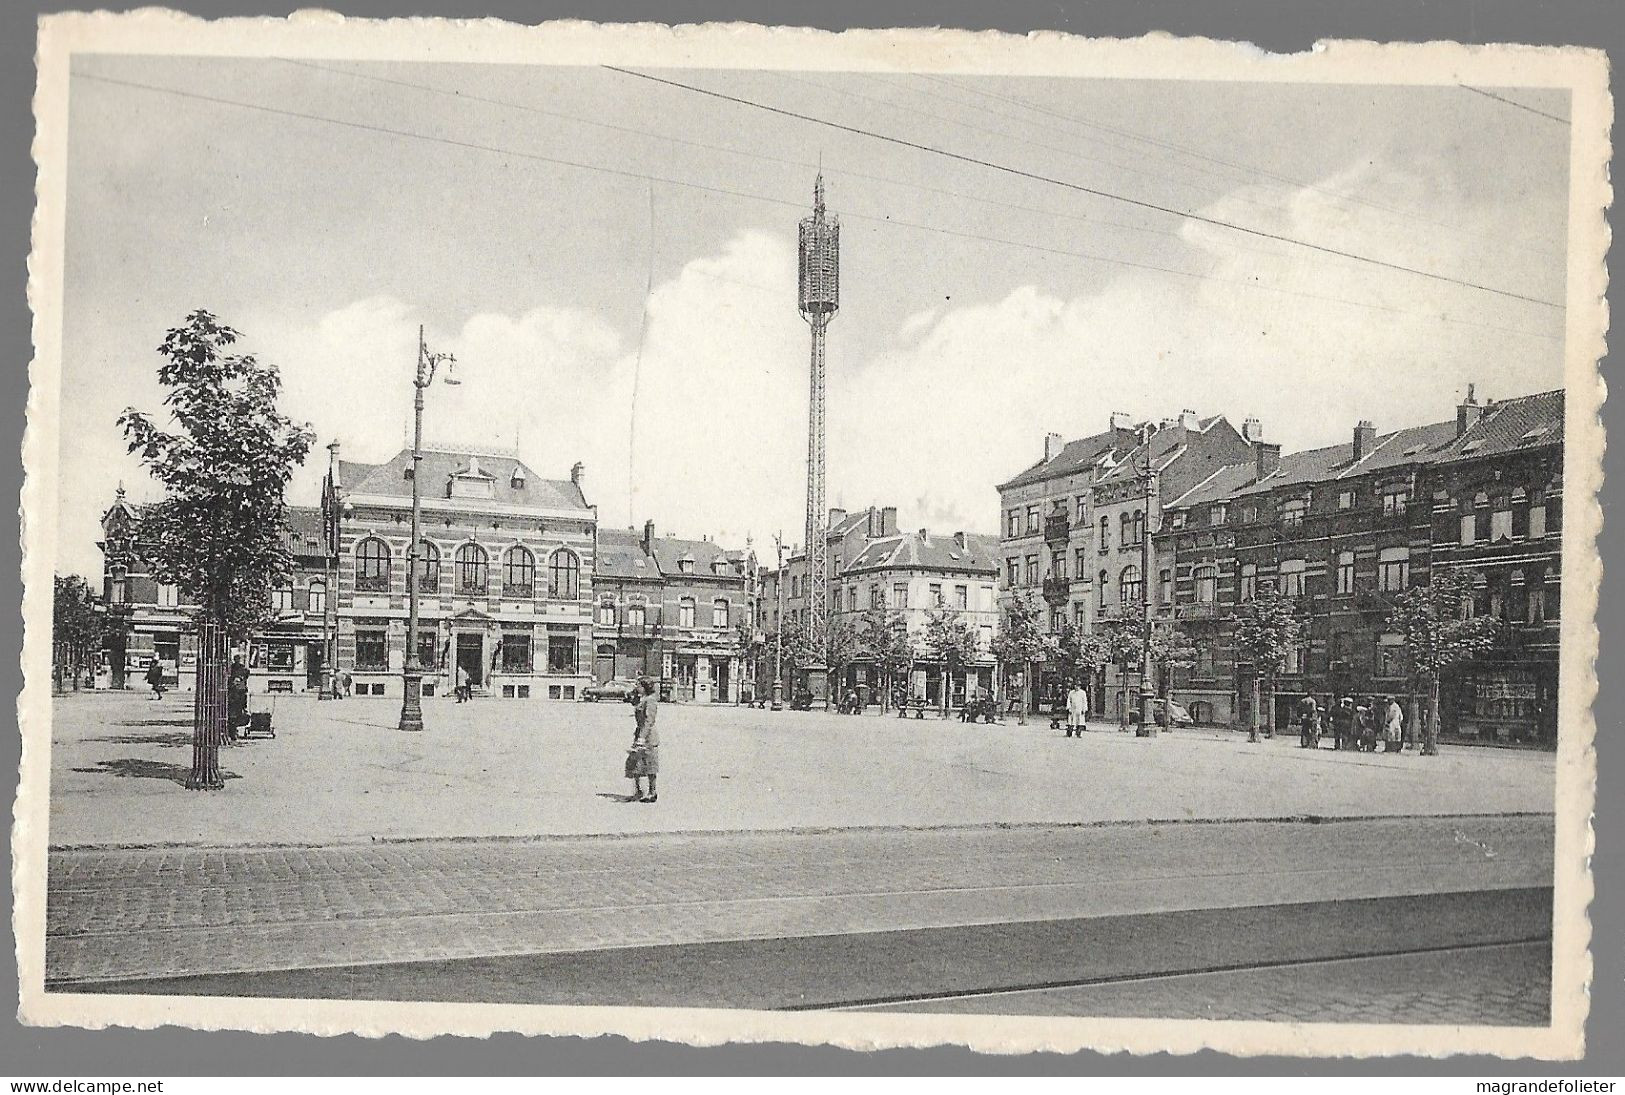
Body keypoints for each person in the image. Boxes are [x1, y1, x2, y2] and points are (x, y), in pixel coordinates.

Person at [627, 675, 660, 803]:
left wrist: (642, 738)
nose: (637, 687)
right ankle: (638, 791)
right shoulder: (642, 699)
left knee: (650, 765)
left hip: (648, 736)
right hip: (639, 734)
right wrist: (633, 694)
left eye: (638, 685)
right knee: (635, 764)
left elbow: (649, 720)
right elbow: (633, 702)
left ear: (645, 687)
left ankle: (652, 792)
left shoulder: (651, 700)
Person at [226, 656, 249, 742]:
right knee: (233, 717)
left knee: (234, 717)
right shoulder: (235, 669)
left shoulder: (238, 669)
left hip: (237, 699)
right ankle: (232, 732)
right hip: (234, 699)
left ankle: (233, 732)